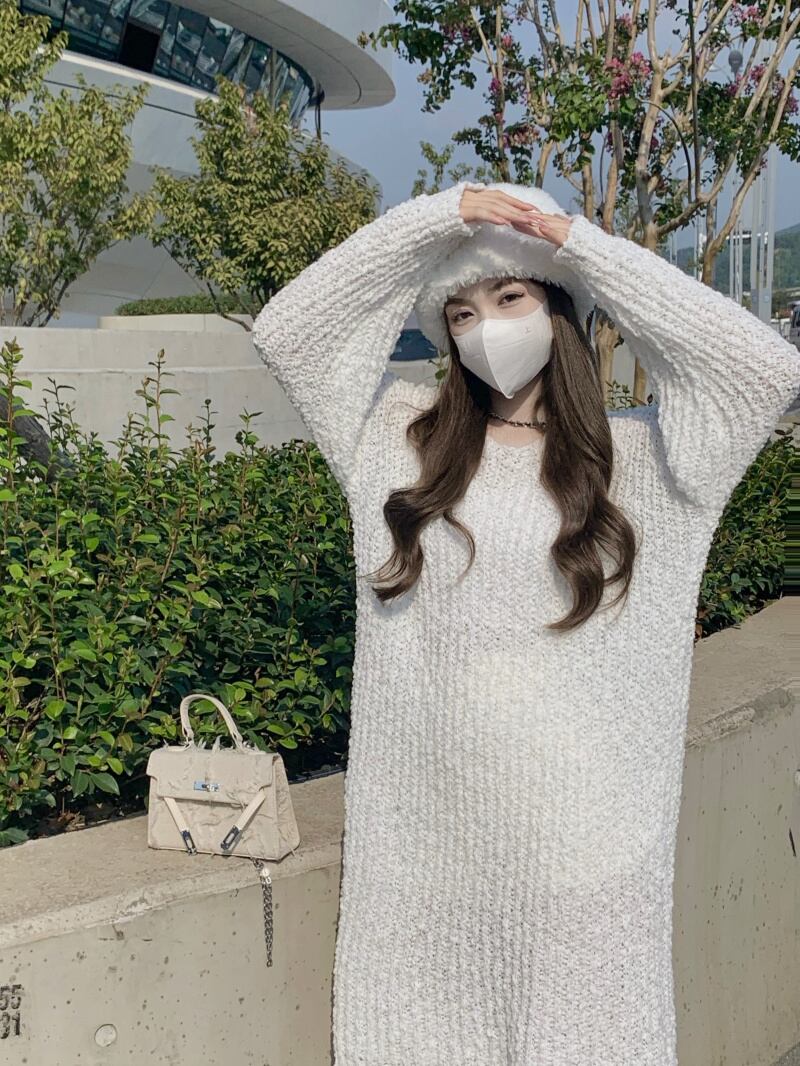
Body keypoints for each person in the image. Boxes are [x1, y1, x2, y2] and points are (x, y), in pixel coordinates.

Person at [252, 180, 800, 1066]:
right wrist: (442, 216)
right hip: (427, 868)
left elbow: (761, 369)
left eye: (511, 296)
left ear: (560, 309)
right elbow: (290, 332)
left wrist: (582, 247)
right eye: (461, 313)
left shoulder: (652, 462)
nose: (487, 329)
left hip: (588, 867)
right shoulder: (397, 443)